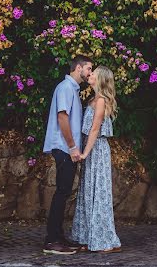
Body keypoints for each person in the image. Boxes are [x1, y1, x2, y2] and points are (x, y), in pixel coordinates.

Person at [42, 54, 93, 255]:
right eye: (88, 68)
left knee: (63, 193)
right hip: (64, 148)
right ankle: (51, 240)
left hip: (67, 148)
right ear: (78, 67)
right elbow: (62, 117)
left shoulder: (72, 89)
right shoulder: (65, 88)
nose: (90, 72)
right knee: (61, 193)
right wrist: (72, 147)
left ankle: (58, 236)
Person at [71, 65, 121, 253]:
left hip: (97, 149)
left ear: (100, 80)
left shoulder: (101, 100)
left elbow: (94, 129)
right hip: (91, 148)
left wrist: (85, 152)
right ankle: (88, 236)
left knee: (98, 193)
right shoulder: (93, 98)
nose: (90, 74)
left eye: (94, 73)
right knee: (88, 192)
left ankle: (103, 239)